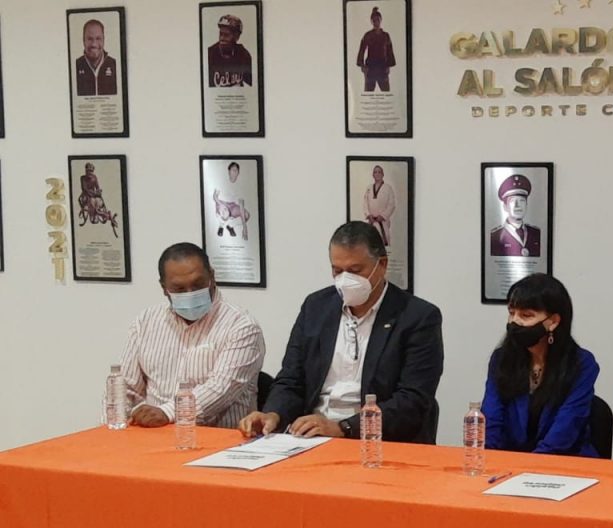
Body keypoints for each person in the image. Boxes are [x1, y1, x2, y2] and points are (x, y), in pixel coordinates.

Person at [239, 221, 443, 442]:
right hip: (311, 435)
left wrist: (343, 427)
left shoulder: (417, 317)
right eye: (337, 271)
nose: (345, 279)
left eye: (355, 271)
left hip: (377, 439)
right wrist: (273, 414)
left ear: (382, 264)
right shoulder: (316, 307)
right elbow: (291, 379)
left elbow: (413, 401)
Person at [120, 242, 266, 429]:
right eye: (179, 289)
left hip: (218, 439)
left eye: (198, 284)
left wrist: (167, 412)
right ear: (164, 288)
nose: (190, 293)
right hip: (152, 436)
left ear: (212, 277)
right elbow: (126, 387)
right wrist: (118, 424)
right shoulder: (146, 321)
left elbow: (220, 389)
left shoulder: (242, 326)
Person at [482, 274, 599, 456]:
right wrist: (491, 460)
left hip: (564, 461)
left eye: (526, 315)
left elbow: (566, 429)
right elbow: (491, 420)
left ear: (553, 322)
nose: (515, 322)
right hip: (509, 462)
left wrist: (531, 466)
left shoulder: (581, 364)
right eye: (512, 313)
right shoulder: (501, 359)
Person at [489, 174, 542, 257]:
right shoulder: (495, 236)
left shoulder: (537, 233)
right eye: (513, 201)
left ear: (526, 205)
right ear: (505, 206)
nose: (518, 206)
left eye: (522, 201)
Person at [356, 6, 396, 92]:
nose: (376, 22)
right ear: (371, 21)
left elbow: (390, 51)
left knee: (386, 94)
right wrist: (362, 65)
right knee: (368, 94)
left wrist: (388, 66)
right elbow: (362, 50)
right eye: (374, 20)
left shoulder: (386, 36)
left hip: (383, 67)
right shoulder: (368, 35)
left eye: (377, 20)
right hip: (370, 68)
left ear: (380, 20)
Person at [207, 14, 253, 87]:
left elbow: (253, 84)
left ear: (236, 37)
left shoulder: (243, 55)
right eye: (221, 34)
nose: (222, 38)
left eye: (226, 35)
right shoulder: (210, 54)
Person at [75, 19, 117, 96]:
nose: (94, 44)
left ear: (103, 40)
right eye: (90, 39)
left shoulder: (115, 66)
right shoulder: (75, 67)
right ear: (83, 40)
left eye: (98, 38)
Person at [77, 162, 119, 237]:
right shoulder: (82, 178)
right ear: (85, 170)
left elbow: (97, 187)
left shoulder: (94, 177)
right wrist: (93, 193)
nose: (89, 172)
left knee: (98, 201)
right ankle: (98, 215)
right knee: (92, 201)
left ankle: (102, 214)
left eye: (91, 171)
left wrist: (98, 191)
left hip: (94, 195)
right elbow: (84, 189)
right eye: (88, 171)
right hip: (86, 195)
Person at [213, 162, 250, 240]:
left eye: (236, 170)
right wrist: (221, 205)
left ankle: (230, 226)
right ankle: (221, 226)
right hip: (221, 203)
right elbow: (215, 197)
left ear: (238, 173)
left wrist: (245, 227)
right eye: (233, 170)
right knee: (226, 213)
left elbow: (241, 206)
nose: (234, 172)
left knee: (246, 215)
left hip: (232, 206)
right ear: (229, 171)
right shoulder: (221, 181)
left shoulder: (240, 186)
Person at [363, 165, 396, 248]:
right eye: (375, 172)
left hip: (383, 222)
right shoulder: (369, 188)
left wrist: (383, 216)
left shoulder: (388, 188)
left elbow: (391, 204)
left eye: (379, 172)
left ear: (383, 174)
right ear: (373, 175)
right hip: (371, 221)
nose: (377, 174)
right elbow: (365, 203)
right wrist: (368, 215)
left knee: (384, 245)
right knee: (370, 244)